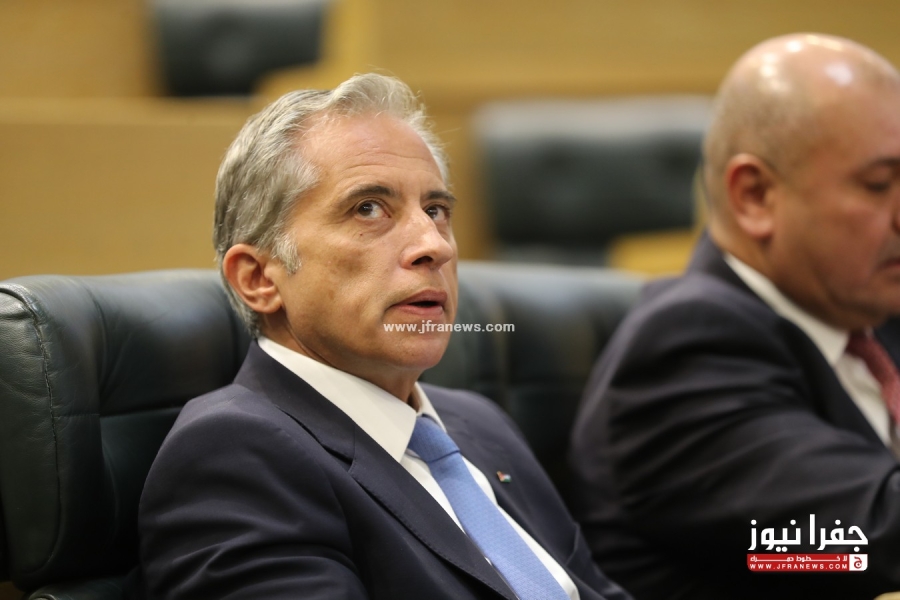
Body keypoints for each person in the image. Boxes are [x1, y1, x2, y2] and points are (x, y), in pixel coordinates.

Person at [137, 73, 630, 600]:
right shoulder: (234, 455)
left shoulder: (480, 424)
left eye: (436, 211)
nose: (434, 245)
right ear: (259, 278)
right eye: (368, 208)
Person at [569, 33, 900, 600]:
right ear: (755, 195)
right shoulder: (685, 350)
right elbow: (861, 539)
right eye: (878, 185)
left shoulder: (870, 312)